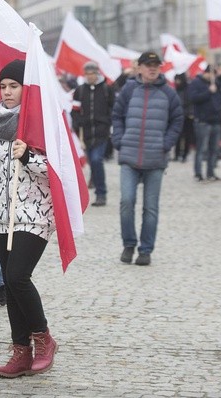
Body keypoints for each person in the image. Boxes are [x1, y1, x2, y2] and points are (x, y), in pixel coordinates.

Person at [0, 59, 58, 378]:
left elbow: (59, 173)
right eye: (3, 86)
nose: (7, 92)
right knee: (11, 280)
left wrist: (29, 157)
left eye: (14, 86)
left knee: (18, 276)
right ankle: (21, 351)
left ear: (26, 88)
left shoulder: (41, 122)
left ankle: (43, 338)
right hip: (2, 216)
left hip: (35, 214)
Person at [112, 51, 183, 266]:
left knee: (150, 207)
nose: (153, 68)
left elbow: (177, 120)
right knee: (126, 201)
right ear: (139, 68)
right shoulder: (129, 89)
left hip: (155, 158)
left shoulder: (169, 94)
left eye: (156, 65)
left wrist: (166, 143)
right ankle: (129, 244)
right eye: (148, 64)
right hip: (129, 155)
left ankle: (146, 250)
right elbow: (117, 114)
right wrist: (119, 140)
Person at [72, 61, 115, 206]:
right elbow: (75, 110)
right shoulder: (80, 91)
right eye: (87, 74)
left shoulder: (106, 89)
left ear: (97, 74)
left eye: (92, 73)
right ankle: (96, 184)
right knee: (93, 163)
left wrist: (109, 123)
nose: (90, 76)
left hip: (102, 132)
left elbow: (113, 108)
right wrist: (78, 124)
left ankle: (101, 193)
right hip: (87, 134)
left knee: (97, 160)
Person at [188, 66, 221, 182]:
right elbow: (193, 98)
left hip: (215, 120)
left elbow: (219, 98)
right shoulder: (196, 83)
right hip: (202, 121)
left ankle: (210, 172)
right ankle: (198, 173)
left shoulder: (216, 84)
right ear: (206, 73)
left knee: (214, 149)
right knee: (202, 148)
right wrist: (208, 92)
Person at [173, 73, 194, 163]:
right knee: (178, 136)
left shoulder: (189, 88)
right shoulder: (177, 89)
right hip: (178, 115)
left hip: (188, 116)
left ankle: (185, 154)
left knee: (187, 136)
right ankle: (177, 154)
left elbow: (189, 101)